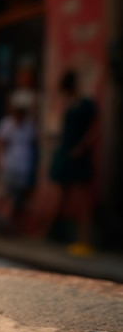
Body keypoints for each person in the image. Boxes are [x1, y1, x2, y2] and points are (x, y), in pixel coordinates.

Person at [45, 69, 98, 256]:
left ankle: (84, 240)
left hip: (78, 156)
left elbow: (93, 130)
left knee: (83, 199)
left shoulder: (86, 105)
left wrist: (82, 147)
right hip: (67, 154)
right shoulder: (69, 104)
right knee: (61, 196)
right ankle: (51, 234)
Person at [0, 92, 38, 234]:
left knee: (17, 196)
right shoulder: (7, 124)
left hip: (24, 166)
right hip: (9, 164)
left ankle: (10, 223)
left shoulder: (29, 126)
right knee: (3, 191)